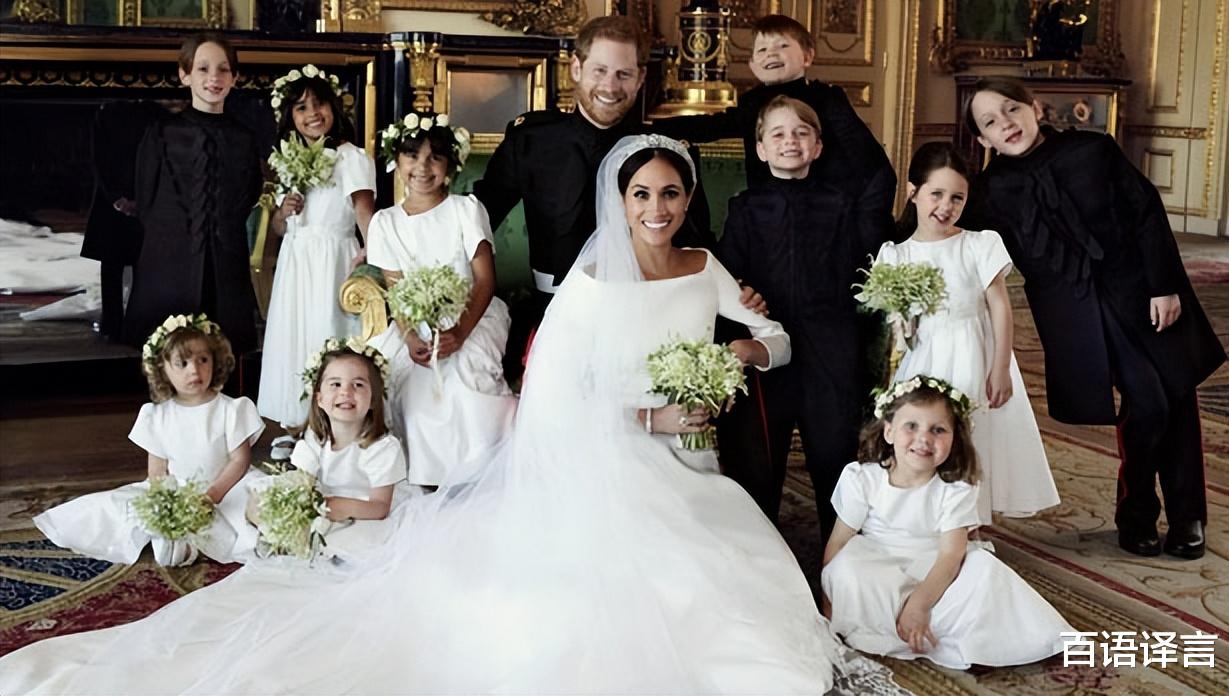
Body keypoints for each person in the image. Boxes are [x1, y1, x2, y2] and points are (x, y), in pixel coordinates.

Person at [0, 135, 902, 696]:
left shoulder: (705, 266)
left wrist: (737, 356)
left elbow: (775, 337)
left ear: (687, 200)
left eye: (671, 194)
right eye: (641, 195)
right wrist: (649, 420)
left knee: (737, 563)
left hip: (693, 454)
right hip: (613, 454)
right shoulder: (591, 279)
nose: (658, 210)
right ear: (619, 203)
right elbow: (559, 385)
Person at [959, 76, 1226, 558]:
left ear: (1034, 107)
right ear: (983, 140)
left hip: (1142, 290)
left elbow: (1145, 211)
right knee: (1151, 401)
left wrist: (1164, 284)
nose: (1006, 124)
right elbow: (955, 236)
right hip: (1075, 314)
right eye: (990, 122)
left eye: (1011, 110)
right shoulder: (991, 190)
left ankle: (1188, 517)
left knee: (1177, 396)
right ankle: (1139, 509)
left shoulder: (1093, 151)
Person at [472, 14, 720, 380]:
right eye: (600, 71)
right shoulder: (531, 141)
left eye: (623, 74)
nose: (610, 85)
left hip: (645, 316)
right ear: (576, 68)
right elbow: (477, 218)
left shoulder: (663, 151)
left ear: (640, 78)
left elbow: (696, 243)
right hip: (553, 311)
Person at [718, 97, 884, 541]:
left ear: (817, 146)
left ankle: (840, 554)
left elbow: (861, 271)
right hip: (766, 345)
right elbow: (727, 275)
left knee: (833, 453)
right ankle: (759, 554)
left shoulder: (842, 205)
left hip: (830, 345)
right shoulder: (745, 208)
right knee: (758, 460)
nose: (790, 141)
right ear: (761, 149)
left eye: (801, 133)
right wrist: (741, 292)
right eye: (778, 133)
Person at [821, 375, 1073, 669]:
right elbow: (838, 542)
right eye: (911, 426)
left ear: (954, 438)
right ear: (888, 431)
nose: (924, 438)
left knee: (984, 569)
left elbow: (951, 555)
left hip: (936, 566)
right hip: (878, 565)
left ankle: (934, 625)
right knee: (847, 568)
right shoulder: (862, 478)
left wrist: (920, 603)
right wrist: (830, 604)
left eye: (938, 430)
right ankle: (893, 624)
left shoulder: (955, 488)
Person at [877, 142, 1059, 524]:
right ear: (913, 193)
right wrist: (903, 323)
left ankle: (970, 525)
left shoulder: (979, 243)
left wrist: (1000, 368)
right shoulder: (896, 254)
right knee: (927, 436)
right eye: (936, 194)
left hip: (976, 353)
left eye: (957, 197)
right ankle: (931, 519)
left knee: (975, 436)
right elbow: (900, 325)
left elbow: (999, 307)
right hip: (926, 358)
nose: (946, 206)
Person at [33, 314, 263, 567]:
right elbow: (157, 468)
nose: (194, 370)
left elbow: (239, 460)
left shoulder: (232, 409)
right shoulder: (157, 415)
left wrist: (213, 494)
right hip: (179, 488)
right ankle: (179, 540)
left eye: (203, 360)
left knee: (254, 508)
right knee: (121, 509)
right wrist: (166, 500)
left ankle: (200, 541)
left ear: (215, 360)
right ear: (162, 368)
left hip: (227, 487)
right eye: (182, 363)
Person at [366, 112, 516, 485]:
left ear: (450, 164)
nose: (422, 166)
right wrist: (410, 336)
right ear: (396, 161)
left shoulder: (466, 209)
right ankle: (423, 474)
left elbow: (484, 281)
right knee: (410, 389)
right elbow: (397, 291)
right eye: (412, 155)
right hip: (414, 321)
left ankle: (480, 471)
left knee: (467, 384)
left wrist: (461, 332)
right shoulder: (385, 222)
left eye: (435, 157)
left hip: (472, 315)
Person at [651, 14, 896, 226]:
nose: (772, 54)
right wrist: (652, 128)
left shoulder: (826, 98)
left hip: (825, 207)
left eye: (782, 46)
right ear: (753, 65)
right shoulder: (752, 103)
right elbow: (713, 126)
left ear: (807, 56)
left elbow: (865, 156)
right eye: (762, 50)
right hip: (770, 208)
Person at [256, 63, 376, 458]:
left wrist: (371, 254)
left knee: (327, 334)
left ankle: (331, 425)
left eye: (319, 104)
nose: (312, 114)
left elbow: (364, 215)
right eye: (301, 108)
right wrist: (282, 212)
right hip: (297, 261)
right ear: (289, 117)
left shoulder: (349, 157)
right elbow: (276, 229)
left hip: (332, 260)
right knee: (295, 337)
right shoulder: (287, 161)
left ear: (334, 109)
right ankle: (295, 423)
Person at [121, 33, 262, 353]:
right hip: (168, 265)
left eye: (224, 69)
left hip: (225, 267)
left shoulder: (244, 138)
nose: (214, 77)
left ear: (235, 78)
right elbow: (146, 198)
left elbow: (247, 196)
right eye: (203, 68)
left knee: (225, 353)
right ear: (185, 75)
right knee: (168, 355)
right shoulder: (160, 133)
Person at [248, 337, 415, 560]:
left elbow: (380, 507)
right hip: (326, 505)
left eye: (358, 385)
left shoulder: (382, 448)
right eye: (335, 384)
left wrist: (339, 506)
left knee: (344, 542)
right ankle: (283, 536)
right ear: (320, 399)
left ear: (374, 399)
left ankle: (303, 543)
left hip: (363, 512)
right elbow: (301, 481)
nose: (346, 392)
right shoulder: (316, 439)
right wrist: (297, 506)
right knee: (258, 500)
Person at [80, 100, 162, 339]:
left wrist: (145, 199)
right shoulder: (108, 113)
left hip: (146, 200)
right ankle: (113, 324)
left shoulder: (155, 114)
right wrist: (116, 197)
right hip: (112, 200)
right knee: (112, 266)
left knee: (144, 267)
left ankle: (139, 322)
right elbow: (100, 159)